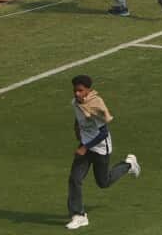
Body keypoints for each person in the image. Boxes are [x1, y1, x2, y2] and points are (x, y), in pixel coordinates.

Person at [64, 74, 140, 231]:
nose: (77, 94)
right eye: (75, 90)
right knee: (74, 179)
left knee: (103, 182)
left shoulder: (96, 106)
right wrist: (76, 128)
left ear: (88, 90)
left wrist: (85, 147)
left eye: (80, 90)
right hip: (85, 145)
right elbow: (78, 117)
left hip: (100, 149)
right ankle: (79, 215)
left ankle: (128, 164)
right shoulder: (75, 103)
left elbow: (103, 133)